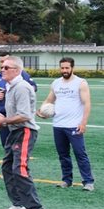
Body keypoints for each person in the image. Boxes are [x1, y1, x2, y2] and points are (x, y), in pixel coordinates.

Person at [0, 56, 48, 209]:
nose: (2, 69)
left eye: (6, 67)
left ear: (17, 70)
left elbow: (25, 115)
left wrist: (2, 121)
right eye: (2, 67)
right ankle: (18, 204)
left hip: (25, 131)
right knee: (7, 167)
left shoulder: (21, 87)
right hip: (14, 131)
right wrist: (1, 122)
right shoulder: (10, 86)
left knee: (19, 168)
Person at [37, 57, 95, 191]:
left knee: (80, 153)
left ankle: (88, 182)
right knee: (63, 154)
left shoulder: (81, 83)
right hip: (58, 125)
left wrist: (83, 122)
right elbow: (49, 100)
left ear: (72, 68)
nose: (64, 70)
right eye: (62, 68)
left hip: (74, 125)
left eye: (67, 68)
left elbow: (87, 103)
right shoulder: (56, 83)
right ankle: (66, 180)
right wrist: (42, 111)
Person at [0, 52, 37, 147]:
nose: (3, 67)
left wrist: (21, 94)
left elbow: (33, 88)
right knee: (7, 149)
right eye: (1, 63)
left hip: (20, 125)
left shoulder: (21, 82)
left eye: (6, 66)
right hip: (4, 117)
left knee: (19, 158)